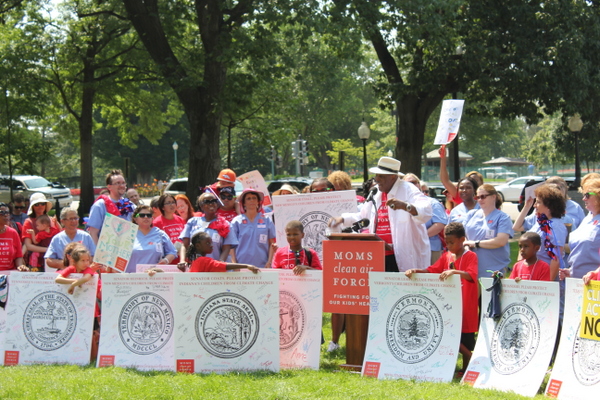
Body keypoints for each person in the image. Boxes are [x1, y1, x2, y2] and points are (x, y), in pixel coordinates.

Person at [329, 157, 432, 272]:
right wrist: (342, 219)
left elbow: (426, 210)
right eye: (376, 175)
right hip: (379, 254)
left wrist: (406, 206)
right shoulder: (376, 192)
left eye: (381, 176)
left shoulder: (408, 189)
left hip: (402, 256)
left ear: (393, 177)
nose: (376, 179)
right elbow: (363, 216)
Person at [405, 222, 478, 376]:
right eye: (447, 242)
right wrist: (417, 270)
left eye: (452, 242)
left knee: (466, 339)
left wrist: (455, 272)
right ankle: (471, 360)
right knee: (448, 333)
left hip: (466, 305)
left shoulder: (471, 256)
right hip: (448, 306)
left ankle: (466, 367)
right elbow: (433, 270)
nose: (449, 245)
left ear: (462, 239)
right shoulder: (446, 256)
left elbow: (471, 275)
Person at [513, 184, 567, 280]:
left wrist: (546, 284)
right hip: (532, 273)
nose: (534, 205)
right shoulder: (539, 222)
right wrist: (526, 207)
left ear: (549, 206)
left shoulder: (555, 226)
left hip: (543, 275)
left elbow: (555, 259)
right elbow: (517, 227)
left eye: (538, 202)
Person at [462, 184, 513, 278]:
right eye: (477, 197)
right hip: (471, 270)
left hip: (494, 270)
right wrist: (465, 244)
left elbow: (501, 241)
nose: (480, 200)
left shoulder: (503, 218)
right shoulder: (471, 214)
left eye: (483, 197)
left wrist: (475, 244)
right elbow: (462, 235)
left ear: (494, 197)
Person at [179, 192, 237, 262]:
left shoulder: (225, 224)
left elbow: (226, 248)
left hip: (216, 267)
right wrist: (182, 261)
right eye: (207, 201)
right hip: (196, 266)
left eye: (213, 201)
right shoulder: (192, 222)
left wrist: (219, 264)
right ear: (201, 206)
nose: (211, 203)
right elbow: (185, 245)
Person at [404, 174, 447, 264]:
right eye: (407, 183)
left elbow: (439, 225)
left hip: (431, 248)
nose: (411, 185)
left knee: (432, 277)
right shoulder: (399, 205)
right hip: (408, 250)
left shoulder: (432, 203)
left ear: (419, 185)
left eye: (414, 182)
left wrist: (420, 237)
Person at [562, 178, 600, 281]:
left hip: (594, 282)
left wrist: (595, 273)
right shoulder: (588, 217)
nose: (583, 199)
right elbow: (581, 250)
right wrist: (571, 271)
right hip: (577, 282)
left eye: (587, 195)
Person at [231, 189, 276, 268]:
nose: (252, 200)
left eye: (254, 198)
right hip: (241, 266)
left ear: (258, 201)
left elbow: (271, 243)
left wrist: (269, 262)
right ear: (243, 203)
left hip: (263, 265)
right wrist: (234, 264)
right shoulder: (236, 221)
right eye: (248, 198)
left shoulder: (267, 220)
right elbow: (231, 246)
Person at [87, 169, 134, 244]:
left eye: (123, 183)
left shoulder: (130, 205)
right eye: (117, 183)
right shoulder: (100, 206)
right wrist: (97, 254)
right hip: (106, 251)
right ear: (109, 187)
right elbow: (93, 233)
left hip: (126, 250)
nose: (122, 186)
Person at [126, 205, 177, 273]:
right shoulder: (127, 234)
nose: (146, 217)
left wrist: (165, 261)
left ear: (152, 219)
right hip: (131, 279)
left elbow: (172, 252)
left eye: (149, 215)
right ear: (135, 219)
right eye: (142, 215)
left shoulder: (160, 234)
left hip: (153, 278)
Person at [180, 231, 259, 273]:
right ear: (197, 246)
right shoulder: (203, 261)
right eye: (207, 243)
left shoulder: (195, 260)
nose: (211, 245)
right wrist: (247, 266)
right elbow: (224, 266)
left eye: (211, 242)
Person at [22, 192, 59, 270]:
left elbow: (60, 236)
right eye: (36, 204)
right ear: (32, 207)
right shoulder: (28, 222)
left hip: (54, 260)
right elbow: (28, 246)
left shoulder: (52, 220)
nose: (40, 206)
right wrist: (49, 250)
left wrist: (56, 222)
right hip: (35, 262)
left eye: (42, 203)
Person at [153, 194, 185, 264]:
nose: (172, 205)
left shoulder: (180, 219)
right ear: (162, 207)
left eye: (173, 202)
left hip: (181, 260)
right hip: (167, 261)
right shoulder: (156, 223)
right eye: (168, 203)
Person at [0, 202, 25, 271]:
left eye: (7, 212)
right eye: (2, 212)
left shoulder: (13, 232)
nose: (6, 215)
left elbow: (18, 256)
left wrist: (20, 266)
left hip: (9, 276)